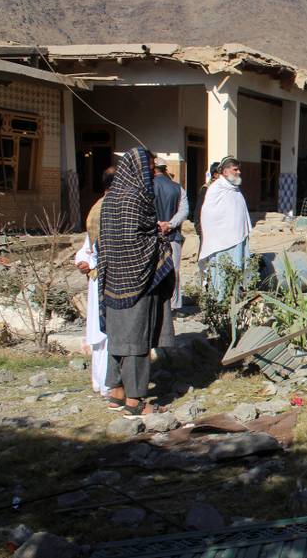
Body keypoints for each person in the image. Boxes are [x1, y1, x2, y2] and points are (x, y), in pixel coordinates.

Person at [98, 147, 175, 416]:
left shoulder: (110, 198)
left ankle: (116, 392)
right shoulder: (136, 198)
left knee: (118, 338)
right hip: (137, 280)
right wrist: (159, 238)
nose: (152, 174)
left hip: (113, 280)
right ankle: (135, 401)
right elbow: (135, 241)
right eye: (149, 169)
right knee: (136, 341)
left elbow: (110, 239)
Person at [74, 167, 114, 399]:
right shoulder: (109, 208)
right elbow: (89, 248)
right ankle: (107, 383)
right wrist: (85, 262)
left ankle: (102, 382)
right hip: (107, 279)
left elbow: (86, 249)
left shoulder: (97, 207)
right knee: (106, 334)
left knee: (103, 335)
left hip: (100, 277)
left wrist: (85, 260)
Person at [198, 157, 251, 300]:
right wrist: (221, 234)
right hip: (221, 244)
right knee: (221, 273)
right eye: (235, 169)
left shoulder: (235, 190)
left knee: (237, 271)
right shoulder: (216, 189)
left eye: (239, 169)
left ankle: (235, 300)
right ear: (225, 171)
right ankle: (220, 302)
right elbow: (208, 216)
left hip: (237, 240)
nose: (239, 172)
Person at [152, 160, 189, 312]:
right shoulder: (178, 188)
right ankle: (175, 305)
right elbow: (184, 211)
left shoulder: (147, 187)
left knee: (154, 270)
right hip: (173, 236)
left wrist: (158, 224)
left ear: (153, 169)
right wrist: (170, 224)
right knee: (174, 271)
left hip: (152, 236)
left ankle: (156, 304)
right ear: (164, 169)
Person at [194, 162, 221, 237]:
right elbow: (199, 209)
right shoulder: (206, 189)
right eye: (221, 173)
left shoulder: (224, 188)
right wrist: (199, 228)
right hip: (208, 229)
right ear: (215, 174)